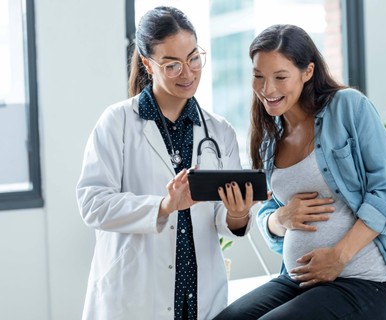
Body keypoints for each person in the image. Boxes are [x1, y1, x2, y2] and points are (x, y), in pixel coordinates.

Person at [214, 24, 386, 320]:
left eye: (280, 77)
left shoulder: (348, 107)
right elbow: (270, 210)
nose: (267, 90)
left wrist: (338, 257)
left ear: (307, 72)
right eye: (258, 76)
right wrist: (279, 219)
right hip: (298, 280)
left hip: (364, 282)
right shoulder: (269, 138)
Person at [76, 6, 256, 320]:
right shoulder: (116, 123)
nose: (187, 73)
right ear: (147, 63)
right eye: (172, 65)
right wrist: (163, 206)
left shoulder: (219, 131)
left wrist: (238, 215)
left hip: (200, 299)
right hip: (135, 299)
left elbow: (221, 219)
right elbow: (93, 204)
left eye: (194, 58)